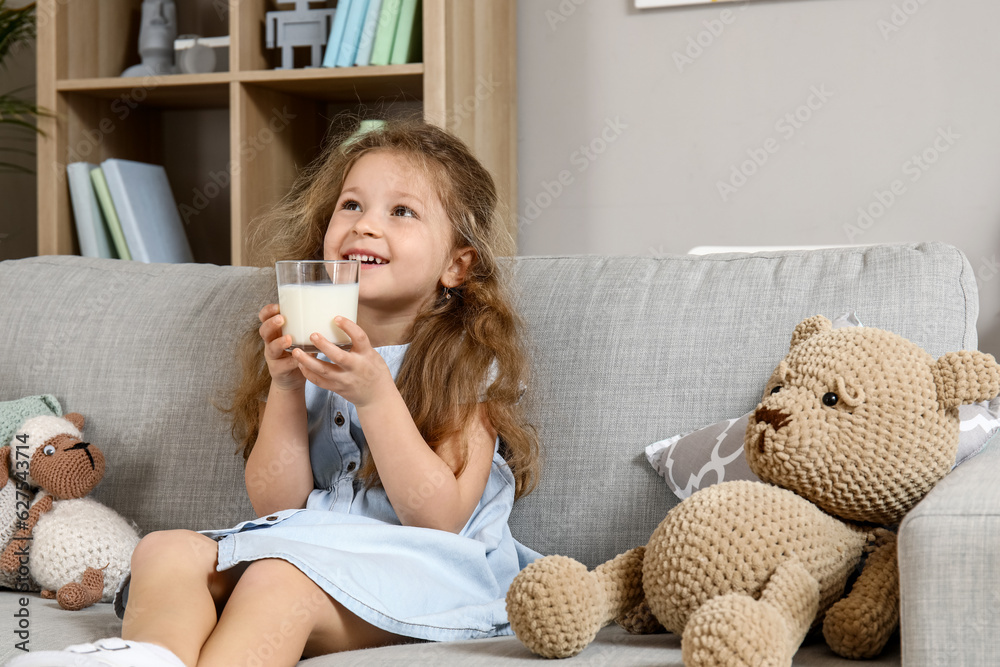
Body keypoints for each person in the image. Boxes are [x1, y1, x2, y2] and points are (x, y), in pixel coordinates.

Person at [11, 119, 541, 667]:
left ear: (457, 264)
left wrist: (376, 395)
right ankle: (147, 658)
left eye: (401, 212)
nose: (365, 226)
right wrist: (286, 385)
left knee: (274, 580)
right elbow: (278, 504)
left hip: (428, 577)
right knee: (162, 550)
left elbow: (440, 520)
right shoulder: (311, 348)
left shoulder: (466, 365)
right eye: (351, 205)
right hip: (311, 551)